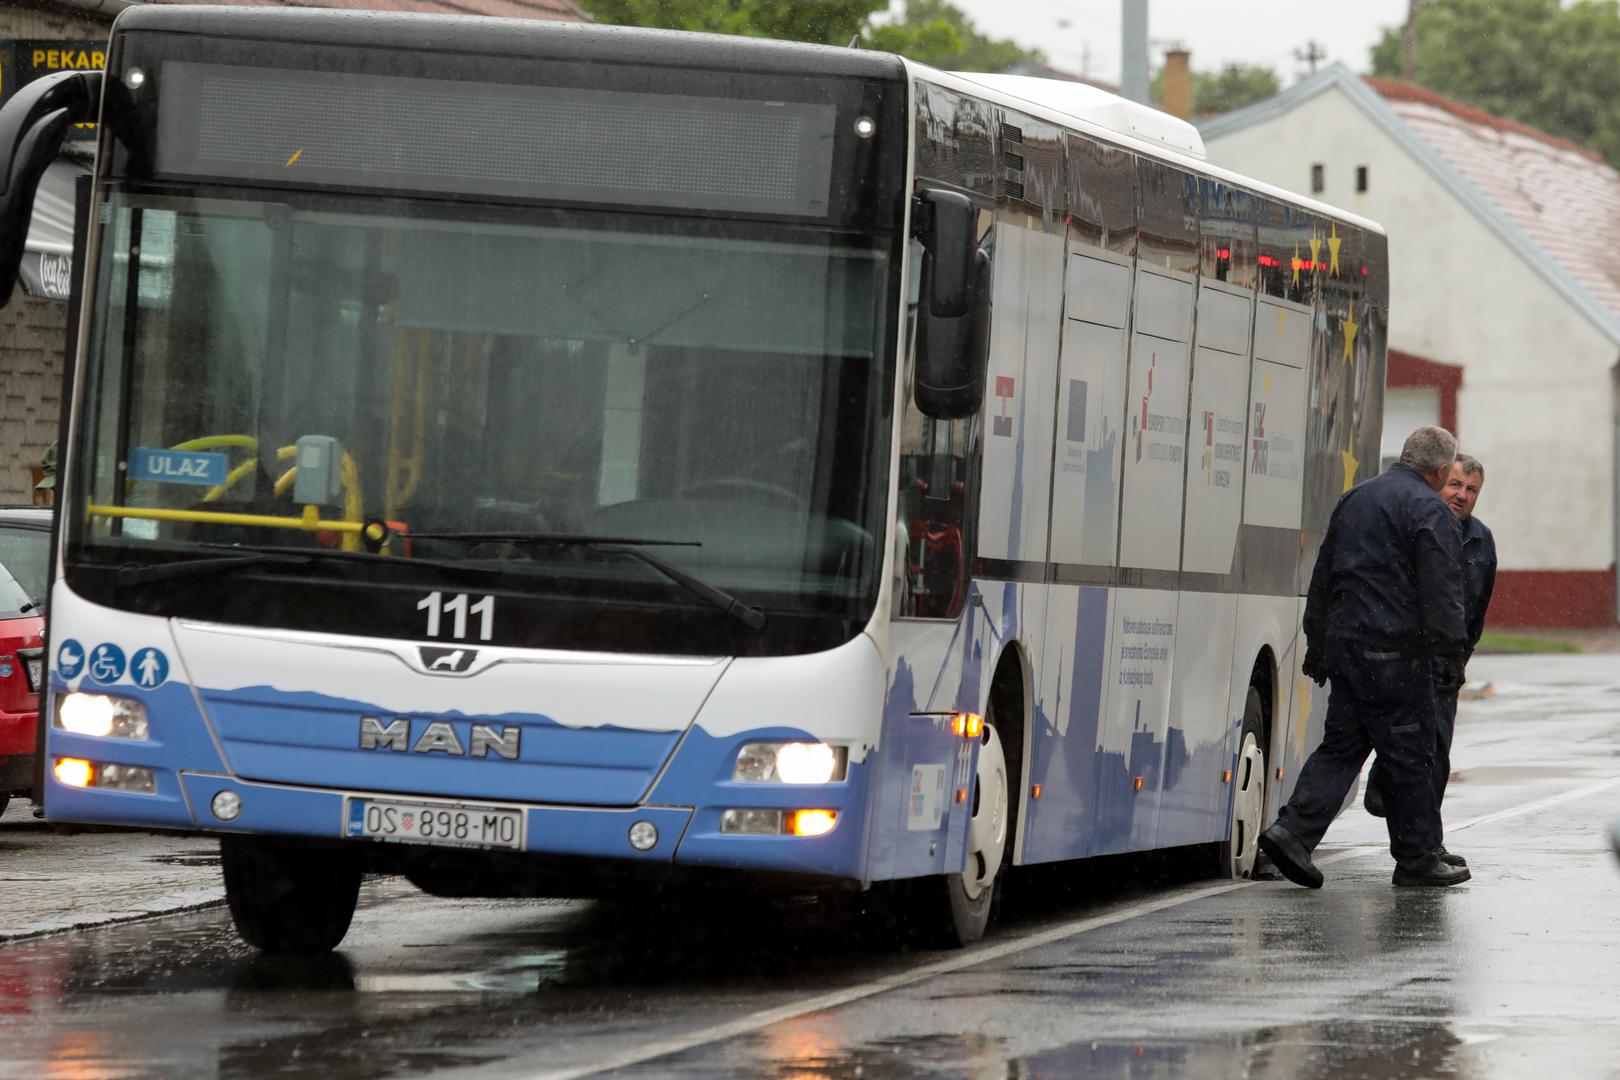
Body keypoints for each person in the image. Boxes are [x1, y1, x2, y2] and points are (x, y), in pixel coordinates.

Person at [1258, 426, 1471, 889]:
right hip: (1396, 653)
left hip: (1348, 648)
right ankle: (1417, 859)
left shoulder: (1356, 499)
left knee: (1342, 747)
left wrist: (1317, 641)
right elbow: (1442, 591)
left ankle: (1292, 832)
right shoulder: (1429, 510)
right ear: (1439, 471)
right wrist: (1451, 655)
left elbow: (1325, 571)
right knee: (1410, 754)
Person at [1363, 455, 1496, 869]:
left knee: (1436, 757)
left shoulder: (1481, 540)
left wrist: (1460, 659)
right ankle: (1403, 825)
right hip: (1406, 660)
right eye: (1455, 484)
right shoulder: (1418, 525)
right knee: (1407, 755)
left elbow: (1476, 609)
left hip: (1446, 668)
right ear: (1440, 481)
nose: (1461, 495)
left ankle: (1426, 846)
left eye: (1471, 489)